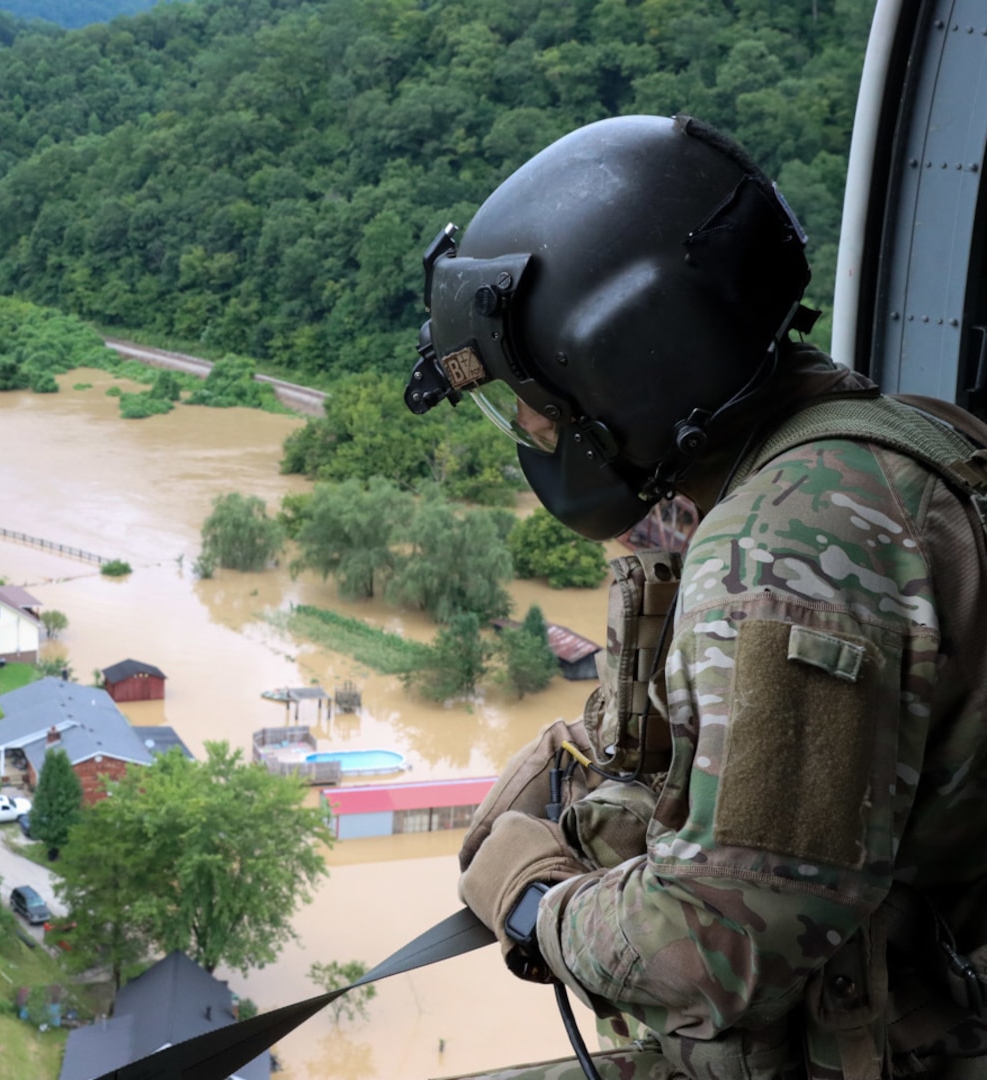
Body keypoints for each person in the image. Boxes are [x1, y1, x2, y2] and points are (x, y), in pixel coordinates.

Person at [406, 115, 987, 1078]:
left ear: (623, 368)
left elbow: (723, 945)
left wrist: (537, 906)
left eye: (533, 402)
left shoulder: (786, 543)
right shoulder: (896, 440)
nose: (532, 430)